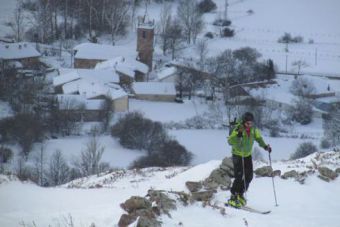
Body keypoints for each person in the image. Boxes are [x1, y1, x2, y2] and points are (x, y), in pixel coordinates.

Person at [227, 112, 272, 208]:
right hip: (238, 155)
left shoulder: (253, 130)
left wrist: (265, 146)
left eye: (251, 123)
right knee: (239, 176)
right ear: (243, 122)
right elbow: (230, 141)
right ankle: (233, 196)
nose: (250, 125)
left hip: (247, 155)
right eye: (248, 123)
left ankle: (240, 194)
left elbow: (259, 138)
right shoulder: (238, 128)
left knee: (249, 176)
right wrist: (238, 135)